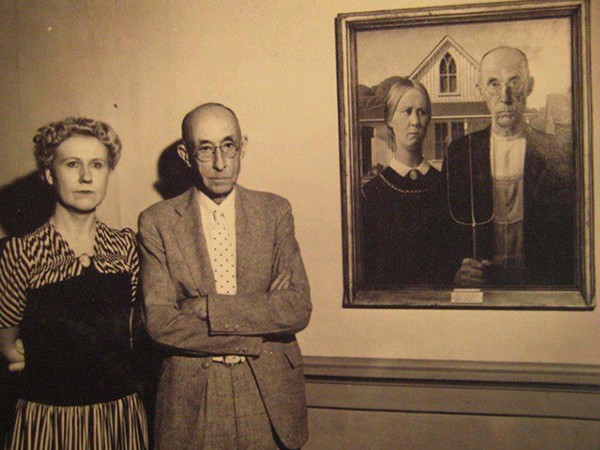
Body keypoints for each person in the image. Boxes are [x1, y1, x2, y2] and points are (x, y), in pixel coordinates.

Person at [138, 103, 312, 450]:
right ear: (186, 155)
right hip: (193, 398)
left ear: (242, 147)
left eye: (228, 146)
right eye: (206, 149)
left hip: (268, 395)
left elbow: (296, 307)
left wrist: (207, 307)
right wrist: (256, 325)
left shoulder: (275, 212)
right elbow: (160, 323)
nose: (220, 163)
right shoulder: (157, 221)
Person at [0, 117, 148, 449]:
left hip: (118, 418)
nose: (86, 177)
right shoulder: (21, 252)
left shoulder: (125, 247)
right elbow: (9, 347)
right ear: (48, 174)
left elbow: (132, 332)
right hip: (48, 421)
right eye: (72, 164)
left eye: (97, 164)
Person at [446, 46, 574, 287]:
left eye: (514, 82)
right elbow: (445, 234)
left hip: (538, 290)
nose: (504, 96)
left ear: (530, 86)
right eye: (493, 83)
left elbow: (568, 237)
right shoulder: (461, 153)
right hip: (482, 291)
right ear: (480, 90)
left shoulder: (555, 152)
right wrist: (455, 271)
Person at [361, 77, 453, 286]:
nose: (415, 121)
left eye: (422, 112)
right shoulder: (370, 195)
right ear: (389, 120)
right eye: (407, 111)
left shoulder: (446, 187)